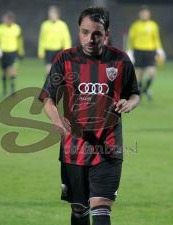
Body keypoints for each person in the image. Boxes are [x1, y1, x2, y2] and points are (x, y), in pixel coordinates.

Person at [39, 7, 140, 225]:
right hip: (73, 148)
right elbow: (47, 98)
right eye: (85, 32)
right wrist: (57, 121)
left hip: (109, 147)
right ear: (78, 31)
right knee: (79, 209)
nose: (90, 39)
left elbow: (134, 93)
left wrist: (129, 103)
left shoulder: (120, 60)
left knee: (101, 207)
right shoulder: (65, 59)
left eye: (97, 34)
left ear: (107, 33)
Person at [127, 5, 166, 100]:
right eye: (143, 13)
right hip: (138, 51)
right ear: (140, 14)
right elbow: (131, 39)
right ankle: (139, 91)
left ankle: (146, 89)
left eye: (146, 13)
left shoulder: (153, 25)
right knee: (139, 73)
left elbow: (156, 38)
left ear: (149, 14)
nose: (144, 15)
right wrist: (129, 51)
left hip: (150, 51)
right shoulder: (135, 25)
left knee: (152, 73)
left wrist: (160, 49)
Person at [0, 11, 25, 96]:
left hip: (13, 52)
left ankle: (12, 89)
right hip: (2, 53)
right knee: (3, 72)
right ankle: (4, 90)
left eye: (8, 19)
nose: (6, 20)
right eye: (5, 19)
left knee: (12, 70)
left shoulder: (17, 28)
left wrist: (21, 51)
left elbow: (20, 41)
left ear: (12, 20)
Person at [38, 5, 72, 74]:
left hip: (58, 50)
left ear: (57, 14)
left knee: (59, 70)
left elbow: (66, 39)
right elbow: (41, 39)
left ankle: (58, 83)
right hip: (48, 50)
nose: (51, 15)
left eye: (53, 13)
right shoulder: (44, 25)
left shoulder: (62, 25)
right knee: (48, 70)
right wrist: (41, 51)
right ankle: (49, 84)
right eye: (50, 13)